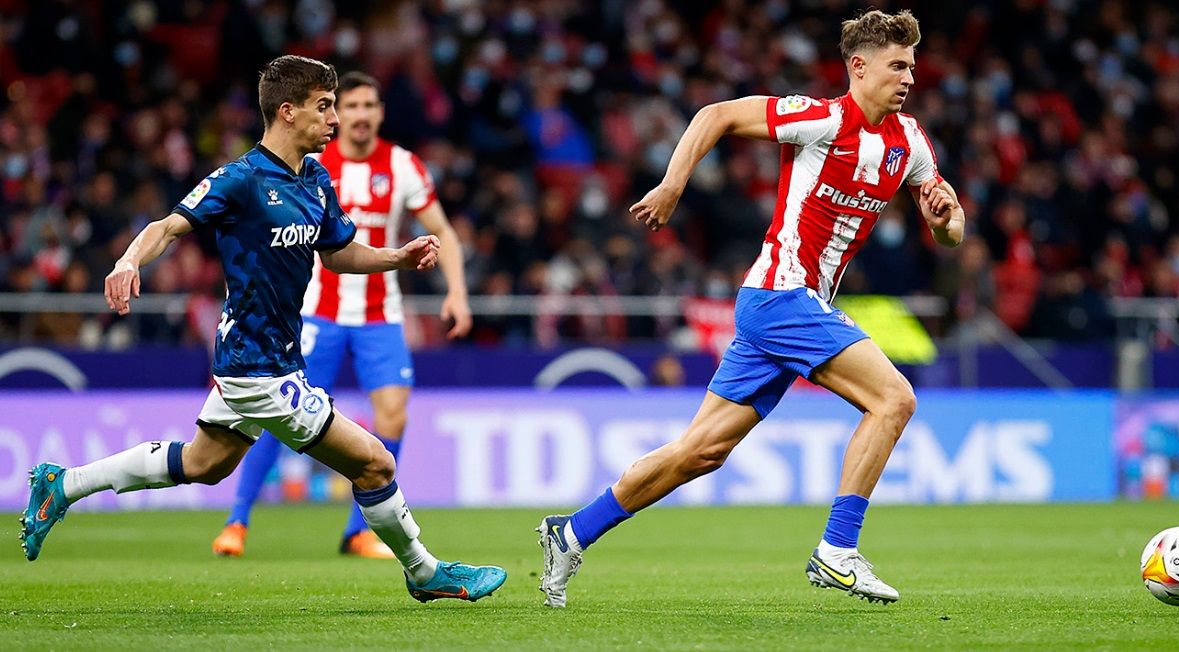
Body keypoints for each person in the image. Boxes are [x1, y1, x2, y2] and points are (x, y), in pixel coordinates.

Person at [20, 55, 506, 603]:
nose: (334, 120)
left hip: (272, 356)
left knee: (202, 465)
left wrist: (398, 256)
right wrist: (130, 260)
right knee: (375, 462)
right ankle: (424, 572)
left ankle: (64, 484)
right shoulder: (241, 179)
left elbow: (340, 253)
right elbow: (168, 226)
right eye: (324, 108)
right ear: (287, 111)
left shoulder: (315, 178)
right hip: (257, 367)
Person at [537, 9, 964, 608]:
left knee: (700, 452)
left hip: (787, 309)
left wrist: (947, 221)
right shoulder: (819, 119)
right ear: (859, 67)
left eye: (912, 66)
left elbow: (952, 230)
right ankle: (837, 549)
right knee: (894, 398)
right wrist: (672, 184)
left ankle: (572, 531)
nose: (909, 77)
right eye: (897, 65)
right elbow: (716, 115)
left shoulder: (911, 142)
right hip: (782, 295)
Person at [211, 71, 473, 560]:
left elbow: (445, 233)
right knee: (275, 417)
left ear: (379, 113)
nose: (358, 115)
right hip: (316, 314)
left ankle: (359, 531)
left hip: (381, 315)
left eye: (369, 106)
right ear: (336, 112)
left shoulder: (404, 166)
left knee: (393, 415)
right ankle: (237, 521)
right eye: (348, 106)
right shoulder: (311, 160)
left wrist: (456, 291)